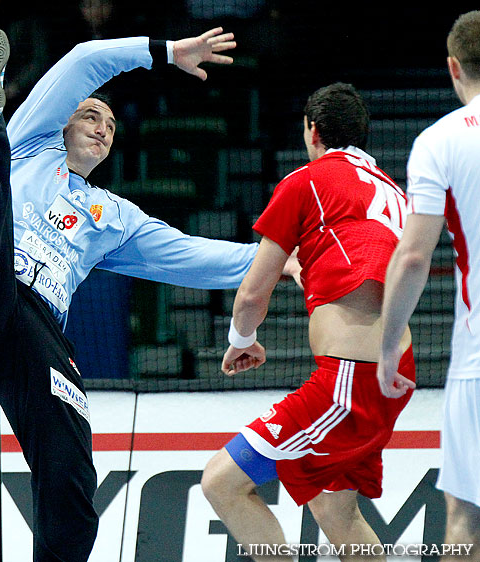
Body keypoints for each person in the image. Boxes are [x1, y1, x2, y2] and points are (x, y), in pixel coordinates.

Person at [0, 25, 299, 562]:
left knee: (73, 486)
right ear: (63, 122)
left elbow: (189, 255)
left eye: (112, 124)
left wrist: (276, 261)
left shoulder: (116, 218)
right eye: (90, 115)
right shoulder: (34, 144)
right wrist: (167, 53)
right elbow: (84, 60)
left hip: (32, 332)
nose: (103, 128)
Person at [201, 83, 416, 561]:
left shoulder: (306, 181)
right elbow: (361, 265)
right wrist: (306, 267)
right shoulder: (392, 192)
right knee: (335, 511)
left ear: (312, 132)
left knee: (221, 482)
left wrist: (243, 338)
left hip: (347, 378)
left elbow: (253, 293)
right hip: (392, 372)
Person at [377, 11, 480, 559]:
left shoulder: (441, 141)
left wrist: (390, 343)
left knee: (466, 517)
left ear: (453, 67)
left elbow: (414, 256)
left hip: (478, 360)